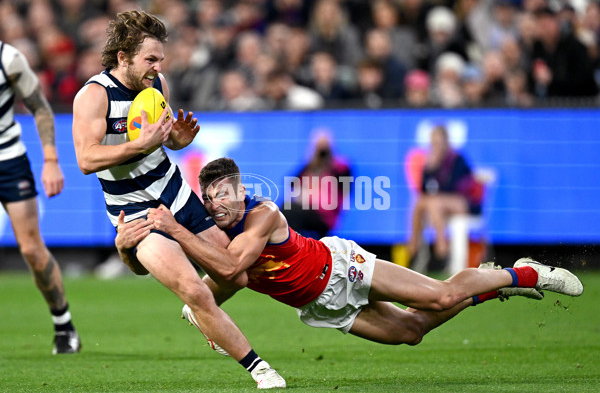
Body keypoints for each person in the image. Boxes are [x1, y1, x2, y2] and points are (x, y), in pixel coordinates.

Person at [117, 157, 582, 354]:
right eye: (211, 196)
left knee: (437, 299)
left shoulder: (261, 213)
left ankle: (523, 274)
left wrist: (177, 231)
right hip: (320, 304)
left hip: (340, 266)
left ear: (242, 189)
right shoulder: (209, 233)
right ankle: (480, 286)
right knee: (411, 333)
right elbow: (230, 280)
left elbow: (235, 266)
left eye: (226, 192)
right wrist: (200, 306)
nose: (219, 202)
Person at [71, 10, 285, 389]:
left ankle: (197, 313)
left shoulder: (157, 86)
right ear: (123, 58)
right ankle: (259, 368)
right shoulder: (94, 96)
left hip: (176, 193)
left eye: (160, 60)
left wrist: (176, 141)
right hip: (135, 210)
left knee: (235, 271)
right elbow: (86, 159)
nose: (157, 67)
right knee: (195, 287)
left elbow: (163, 137)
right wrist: (140, 144)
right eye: (150, 60)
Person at [0, 40, 80, 354]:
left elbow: (40, 107)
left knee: (32, 249)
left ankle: (63, 323)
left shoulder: (9, 58)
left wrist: (50, 160)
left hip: (8, 161)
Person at [407, 125, 484, 261]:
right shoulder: (430, 162)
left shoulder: (457, 159)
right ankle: (416, 244)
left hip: (465, 203)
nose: (436, 146)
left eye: (439, 142)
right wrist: (430, 169)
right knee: (420, 201)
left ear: (446, 142)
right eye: (434, 143)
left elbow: (457, 188)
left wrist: (436, 170)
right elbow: (424, 189)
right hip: (440, 204)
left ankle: (439, 248)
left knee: (433, 201)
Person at [280, 130, 352, 240]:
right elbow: (293, 182)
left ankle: (291, 243)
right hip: (307, 208)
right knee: (286, 209)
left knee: (291, 210)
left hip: (324, 215)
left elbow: (346, 182)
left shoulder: (339, 166)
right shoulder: (310, 166)